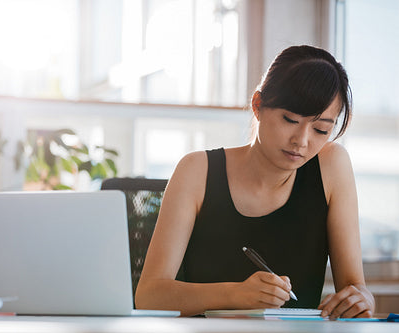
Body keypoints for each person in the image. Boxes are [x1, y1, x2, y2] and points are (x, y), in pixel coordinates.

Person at [135, 45, 375, 318]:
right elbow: (150, 295)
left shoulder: (331, 165)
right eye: (290, 120)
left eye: (321, 129)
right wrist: (234, 295)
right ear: (258, 105)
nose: (302, 141)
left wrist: (362, 298)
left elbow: (355, 288)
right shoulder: (196, 170)